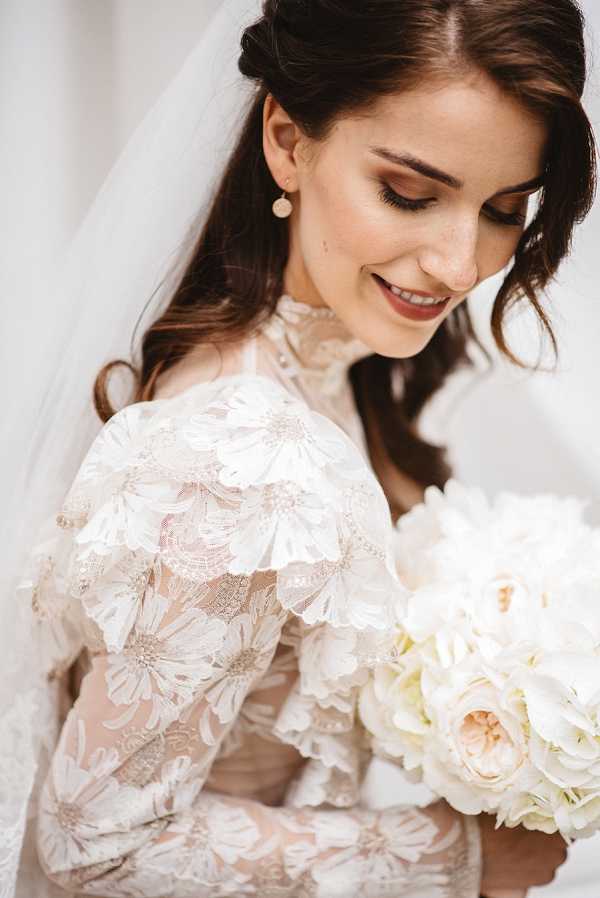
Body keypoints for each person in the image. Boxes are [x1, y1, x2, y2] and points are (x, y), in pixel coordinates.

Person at [3, 1, 596, 896]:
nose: (461, 263)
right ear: (287, 139)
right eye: (409, 194)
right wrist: (454, 855)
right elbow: (93, 848)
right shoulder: (244, 457)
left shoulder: (332, 369)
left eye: (506, 210)